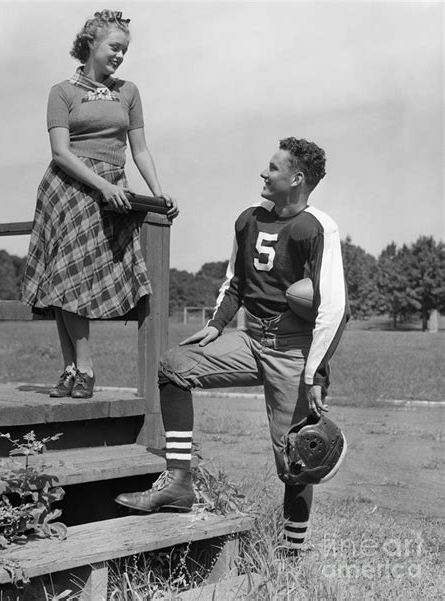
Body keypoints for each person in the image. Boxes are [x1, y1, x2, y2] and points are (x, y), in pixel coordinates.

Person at [115, 137, 349, 555]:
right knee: (175, 365)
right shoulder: (248, 220)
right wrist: (216, 325)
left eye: (273, 168)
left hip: (294, 349)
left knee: (297, 455)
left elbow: (333, 308)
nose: (263, 173)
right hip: (251, 336)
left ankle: (292, 554)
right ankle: (179, 483)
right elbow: (234, 283)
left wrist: (316, 372)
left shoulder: (317, 227)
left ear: (296, 179)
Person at [21, 10, 178, 399]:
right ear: (91, 43)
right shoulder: (62, 91)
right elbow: (60, 152)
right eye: (114, 47)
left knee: (73, 280)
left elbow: (139, 148)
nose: (120, 56)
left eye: (124, 50)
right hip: (69, 191)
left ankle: (74, 370)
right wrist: (101, 187)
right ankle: (80, 370)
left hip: (113, 192)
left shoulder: (128, 91)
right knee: (65, 279)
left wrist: (158, 191)